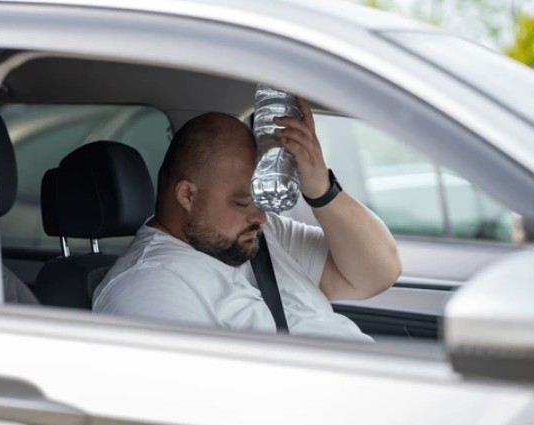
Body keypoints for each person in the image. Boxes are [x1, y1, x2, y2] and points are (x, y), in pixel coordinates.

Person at [93, 98, 401, 342]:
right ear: (187, 195)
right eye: (242, 202)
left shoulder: (261, 234)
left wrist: (321, 189)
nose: (262, 217)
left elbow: (377, 274)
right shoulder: (149, 287)